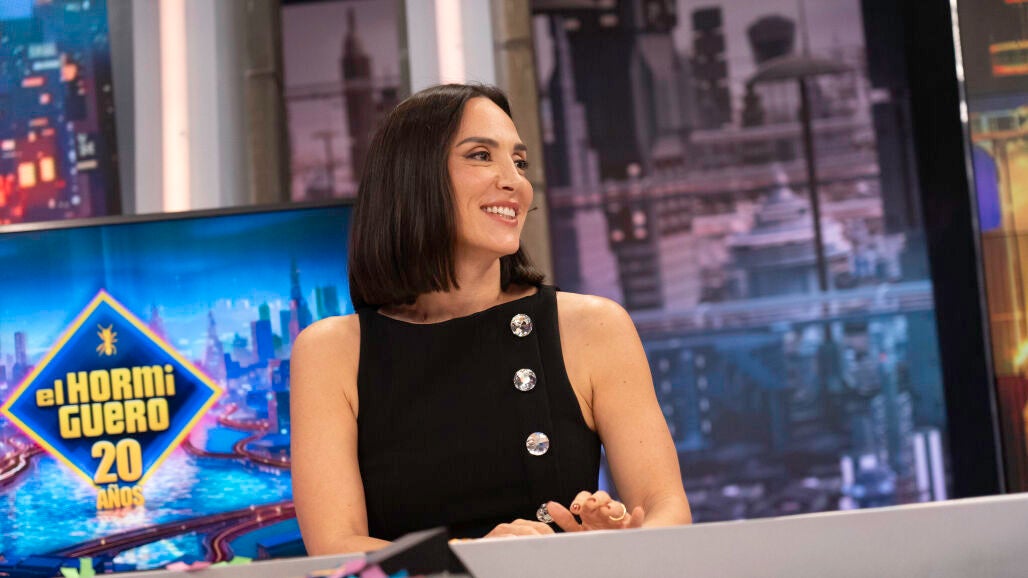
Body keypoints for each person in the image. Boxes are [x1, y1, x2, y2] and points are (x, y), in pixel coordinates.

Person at [291, 84, 691, 555]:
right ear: (413, 176)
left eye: (519, 162)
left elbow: (666, 508)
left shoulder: (594, 326)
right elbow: (335, 547)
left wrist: (618, 544)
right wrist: (477, 557)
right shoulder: (330, 351)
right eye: (481, 156)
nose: (514, 181)